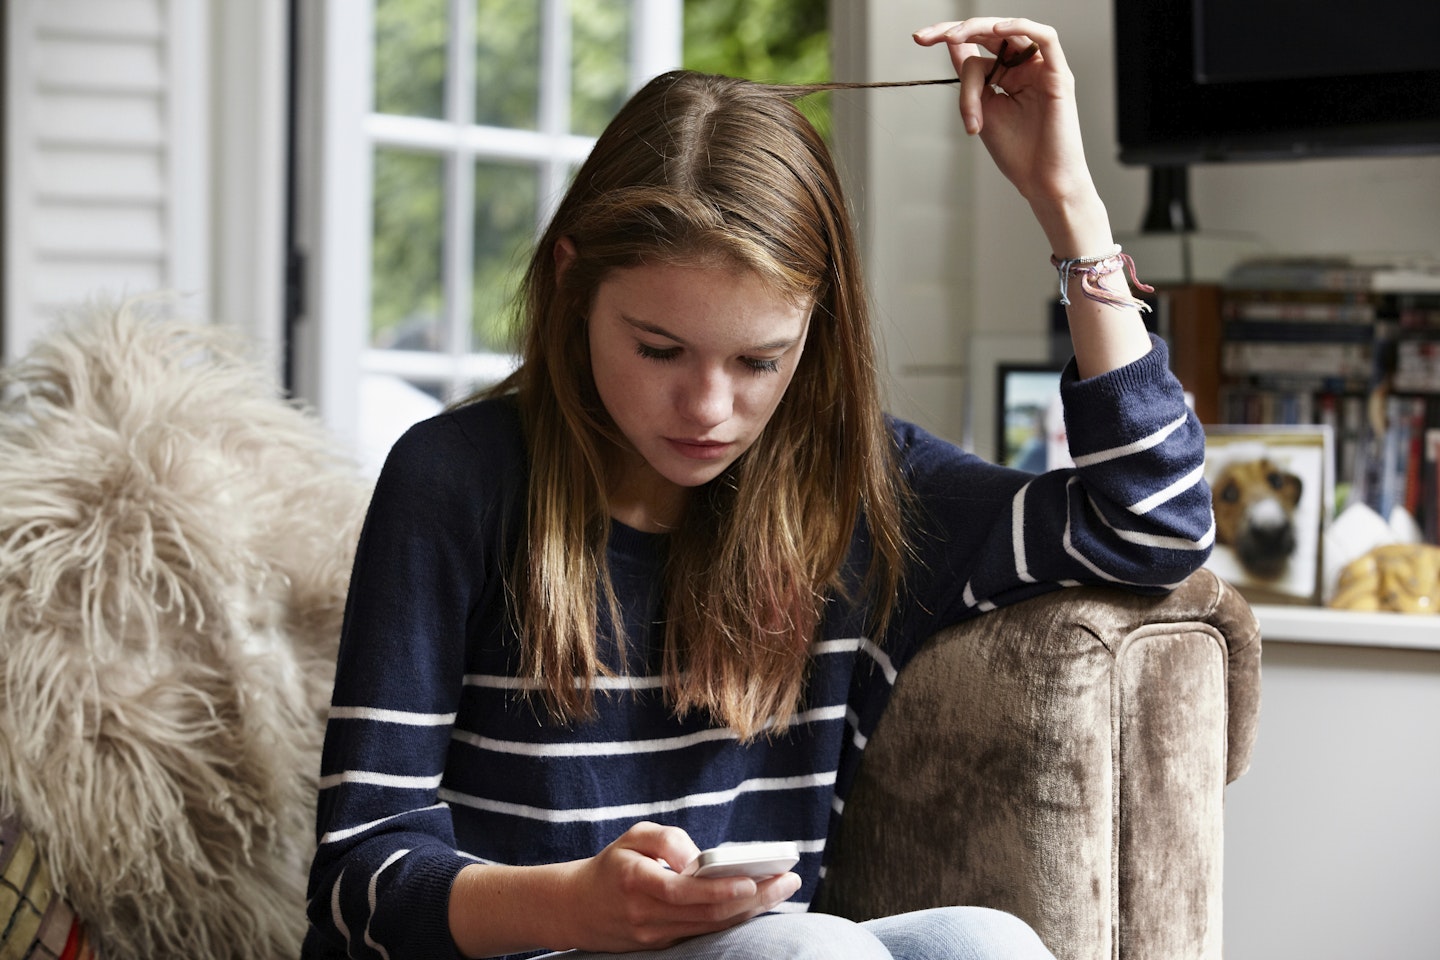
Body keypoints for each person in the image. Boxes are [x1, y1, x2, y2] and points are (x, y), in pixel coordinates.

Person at [303, 17, 1214, 960]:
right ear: (574, 288)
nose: (709, 408)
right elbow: (356, 873)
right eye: (659, 349)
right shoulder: (457, 480)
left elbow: (1153, 526)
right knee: (810, 951)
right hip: (526, 945)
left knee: (985, 944)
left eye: (758, 360)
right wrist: (579, 907)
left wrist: (1071, 208)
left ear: (814, 331)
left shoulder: (860, 494)